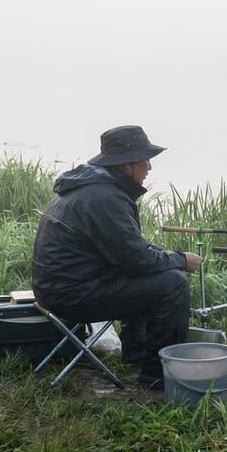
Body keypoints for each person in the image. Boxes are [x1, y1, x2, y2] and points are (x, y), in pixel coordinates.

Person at [31, 125, 203, 389]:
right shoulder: (105, 197)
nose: (149, 167)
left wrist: (165, 255)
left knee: (151, 273)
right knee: (173, 284)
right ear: (126, 165)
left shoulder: (91, 189)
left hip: (58, 288)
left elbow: (128, 250)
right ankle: (157, 377)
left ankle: (135, 354)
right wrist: (181, 260)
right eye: (145, 160)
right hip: (70, 295)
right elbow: (137, 260)